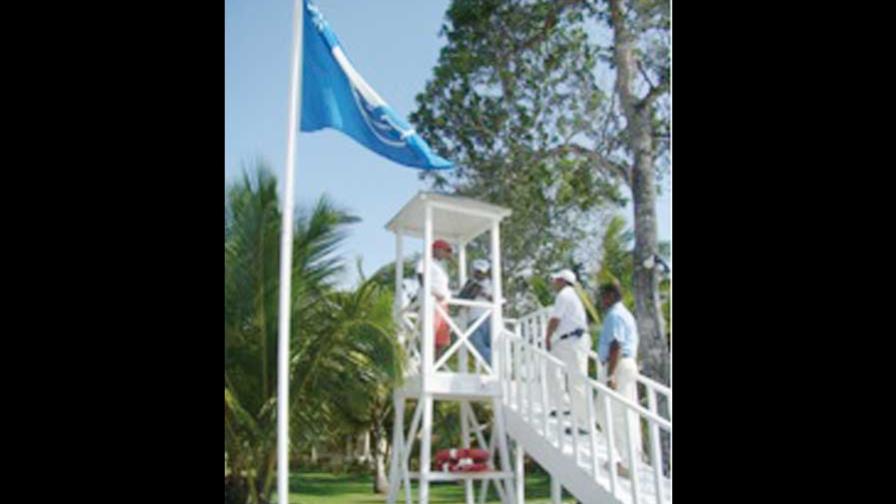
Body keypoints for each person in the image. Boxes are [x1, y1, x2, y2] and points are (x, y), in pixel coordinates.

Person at [596, 281, 642, 479]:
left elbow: (616, 345)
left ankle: (627, 462)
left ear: (611, 296)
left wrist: (611, 375)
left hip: (619, 365)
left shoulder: (614, 315)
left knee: (612, 414)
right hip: (625, 364)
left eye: (603, 296)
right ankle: (629, 459)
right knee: (617, 413)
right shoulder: (624, 314)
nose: (601, 301)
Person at [544, 269, 592, 436]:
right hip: (566, 341)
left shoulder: (565, 294)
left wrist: (548, 337)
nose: (553, 283)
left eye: (556, 279)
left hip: (574, 341)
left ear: (563, 281)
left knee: (577, 381)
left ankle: (584, 423)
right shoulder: (570, 295)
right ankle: (563, 406)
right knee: (552, 370)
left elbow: (555, 319)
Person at [416, 239, 453, 352]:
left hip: (442, 303)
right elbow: (421, 278)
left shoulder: (441, 266)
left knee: (442, 337)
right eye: (445, 251)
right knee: (432, 333)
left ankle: (436, 363)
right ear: (437, 250)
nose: (447, 254)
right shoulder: (425, 261)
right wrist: (432, 293)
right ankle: (428, 362)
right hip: (432, 301)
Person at [462, 259, 493, 366]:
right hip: (474, 319)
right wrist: (472, 292)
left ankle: (497, 367)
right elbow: (462, 302)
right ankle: (494, 366)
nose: (479, 274)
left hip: (490, 319)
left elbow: (503, 303)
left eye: (482, 272)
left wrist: (486, 295)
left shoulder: (493, 284)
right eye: (477, 271)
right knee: (478, 347)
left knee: (494, 346)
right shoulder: (469, 284)